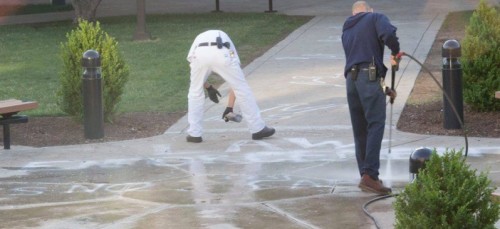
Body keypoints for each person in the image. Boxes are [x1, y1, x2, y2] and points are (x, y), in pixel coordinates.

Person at [341, 1, 399, 195]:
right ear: (368, 10)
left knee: (360, 130)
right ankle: (370, 176)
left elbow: (362, 63)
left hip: (351, 80)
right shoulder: (375, 17)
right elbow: (389, 34)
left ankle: (365, 176)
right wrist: (395, 51)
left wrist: (385, 89)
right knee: (376, 123)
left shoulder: (347, 28)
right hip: (368, 78)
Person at [186, 30, 275, 143]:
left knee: (195, 92)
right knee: (242, 89)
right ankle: (257, 129)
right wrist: (230, 107)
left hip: (199, 55)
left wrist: (208, 87)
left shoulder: (198, 39)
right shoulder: (227, 41)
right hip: (221, 53)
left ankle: (194, 134)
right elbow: (236, 85)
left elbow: (195, 73)